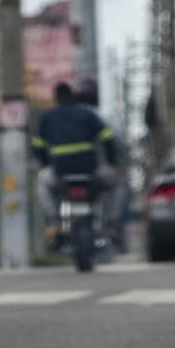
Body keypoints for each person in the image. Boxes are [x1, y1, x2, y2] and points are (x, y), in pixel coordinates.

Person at [32, 81, 118, 240]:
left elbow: (37, 146)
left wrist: (45, 165)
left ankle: (55, 217)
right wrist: (112, 164)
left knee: (42, 183)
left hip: (60, 171)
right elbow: (108, 138)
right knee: (112, 184)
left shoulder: (48, 117)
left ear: (55, 98)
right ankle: (109, 220)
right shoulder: (87, 114)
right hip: (90, 170)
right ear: (72, 96)